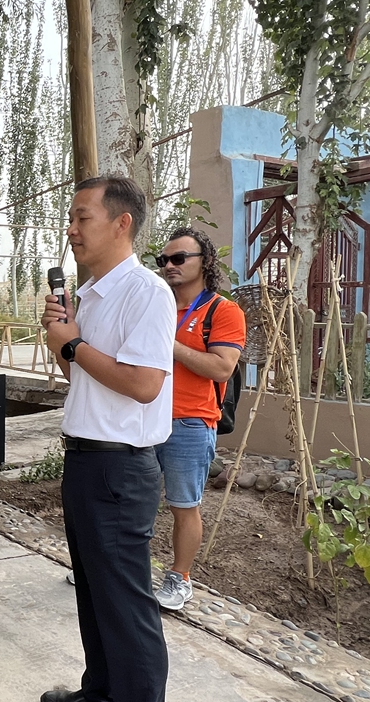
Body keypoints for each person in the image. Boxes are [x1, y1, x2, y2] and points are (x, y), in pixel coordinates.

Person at [38, 177, 174, 702]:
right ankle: (100, 691)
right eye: (69, 219)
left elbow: (143, 384)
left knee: (124, 601)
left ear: (122, 224)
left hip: (120, 469)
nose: (71, 230)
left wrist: (72, 343)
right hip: (87, 462)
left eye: (81, 218)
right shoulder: (90, 295)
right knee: (94, 593)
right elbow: (85, 379)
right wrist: (65, 342)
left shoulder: (147, 293)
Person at [151, 227, 244, 611]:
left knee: (183, 505)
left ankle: (180, 579)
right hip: (141, 417)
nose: (168, 266)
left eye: (178, 259)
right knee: (128, 499)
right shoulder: (155, 306)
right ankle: (122, 569)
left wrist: (170, 346)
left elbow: (222, 368)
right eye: (163, 261)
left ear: (204, 261)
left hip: (188, 422)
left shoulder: (222, 311)